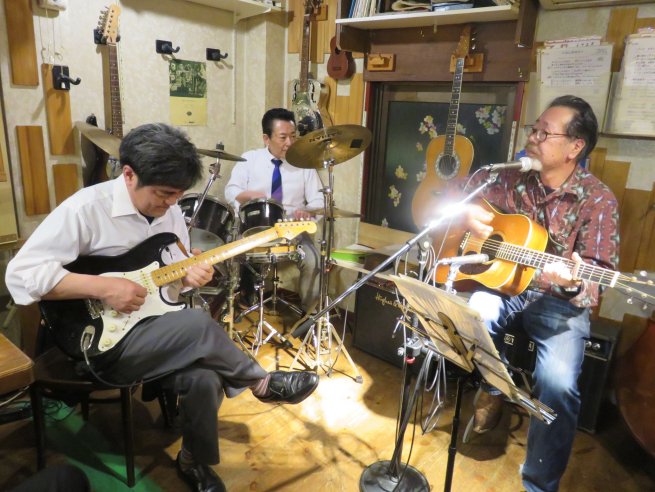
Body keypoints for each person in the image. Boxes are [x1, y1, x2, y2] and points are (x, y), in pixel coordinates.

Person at [5, 123, 320, 492]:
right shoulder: (85, 209)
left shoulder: (169, 214)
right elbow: (21, 275)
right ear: (129, 174)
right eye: (164, 193)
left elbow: (169, 280)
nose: (172, 203)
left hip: (154, 327)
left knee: (206, 378)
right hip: (100, 342)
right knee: (198, 323)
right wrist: (104, 287)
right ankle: (261, 382)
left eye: (178, 195)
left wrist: (189, 277)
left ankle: (193, 461)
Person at [447, 95, 619, 491]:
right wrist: (467, 213)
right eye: (534, 129)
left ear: (575, 147)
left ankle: (539, 485)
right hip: (504, 285)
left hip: (559, 302)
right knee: (475, 317)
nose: (533, 138)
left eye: (545, 133)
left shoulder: (598, 200)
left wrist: (571, 281)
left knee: (558, 386)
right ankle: (493, 388)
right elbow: (456, 194)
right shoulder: (509, 177)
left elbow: (597, 279)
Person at [225, 108, 323, 316]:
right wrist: (244, 195)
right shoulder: (249, 159)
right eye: (283, 137)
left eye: (293, 136)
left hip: (292, 230)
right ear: (266, 138)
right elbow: (231, 190)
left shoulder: (304, 164)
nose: (290, 143)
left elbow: (319, 200)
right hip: (254, 228)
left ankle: (309, 314)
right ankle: (240, 299)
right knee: (230, 250)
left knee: (314, 260)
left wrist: (308, 211)